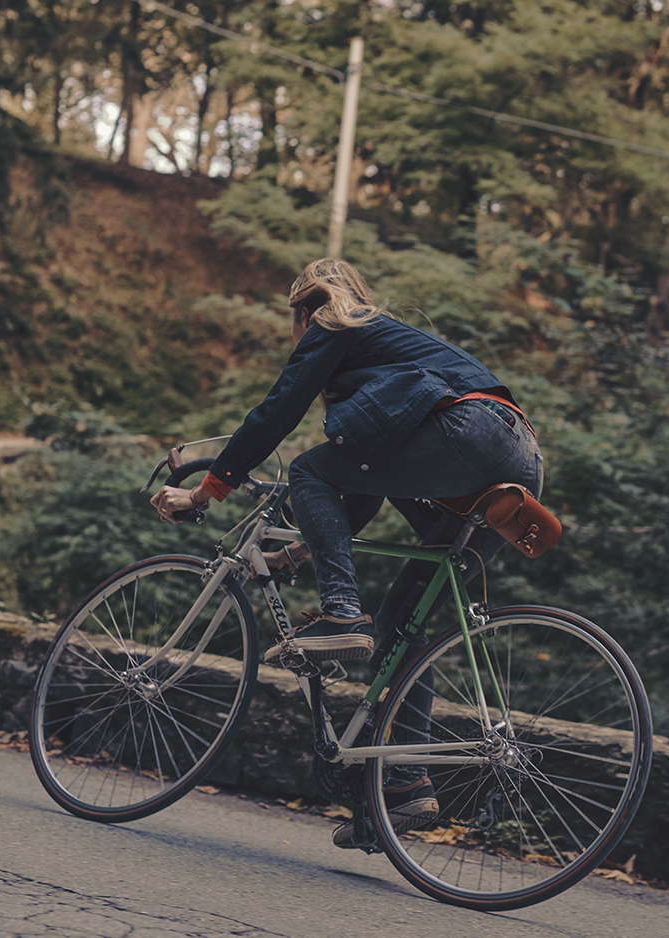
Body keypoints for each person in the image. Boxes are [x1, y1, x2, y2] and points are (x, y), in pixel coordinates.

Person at [150, 257, 544, 843]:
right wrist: (295, 556)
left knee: (310, 469)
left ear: (303, 311)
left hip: (468, 435)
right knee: (400, 626)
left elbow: (276, 413)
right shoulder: (387, 358)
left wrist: (208, 488)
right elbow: (358, 497)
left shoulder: (333, 326)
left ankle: (340, 611)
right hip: (517, 461)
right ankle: (407, 789)